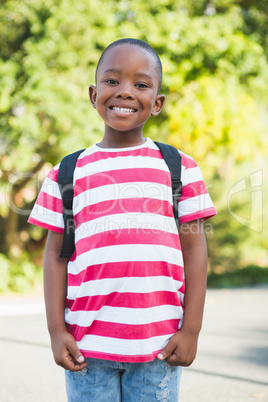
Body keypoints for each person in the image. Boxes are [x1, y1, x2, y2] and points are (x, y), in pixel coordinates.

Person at [28, 38, 217, 401]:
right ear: (93, 93)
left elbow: (195, 251)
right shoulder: (66, 173)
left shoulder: (179, 168)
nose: (125, 92)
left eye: (141, 84)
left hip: (158, 347)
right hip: (87, 347)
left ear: (157, 103)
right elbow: (55, 257)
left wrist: (191, 329)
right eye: (112, 81)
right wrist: (56, 331)